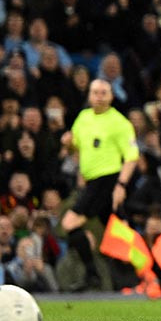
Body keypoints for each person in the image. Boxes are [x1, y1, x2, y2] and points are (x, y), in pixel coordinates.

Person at [59, 79, 139, 289]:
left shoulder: (119, 123)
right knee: (121, 231)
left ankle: (92, 274)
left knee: (69, 223)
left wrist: (121, 185)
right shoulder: (83, 118)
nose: (99, 96)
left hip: (108, 180)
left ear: (111, 96)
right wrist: (68, 145)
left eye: (104, 92)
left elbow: (132, 156)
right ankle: (151, 273)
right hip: (91, 182)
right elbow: (76, 149)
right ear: (89, 95)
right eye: (95, 92)